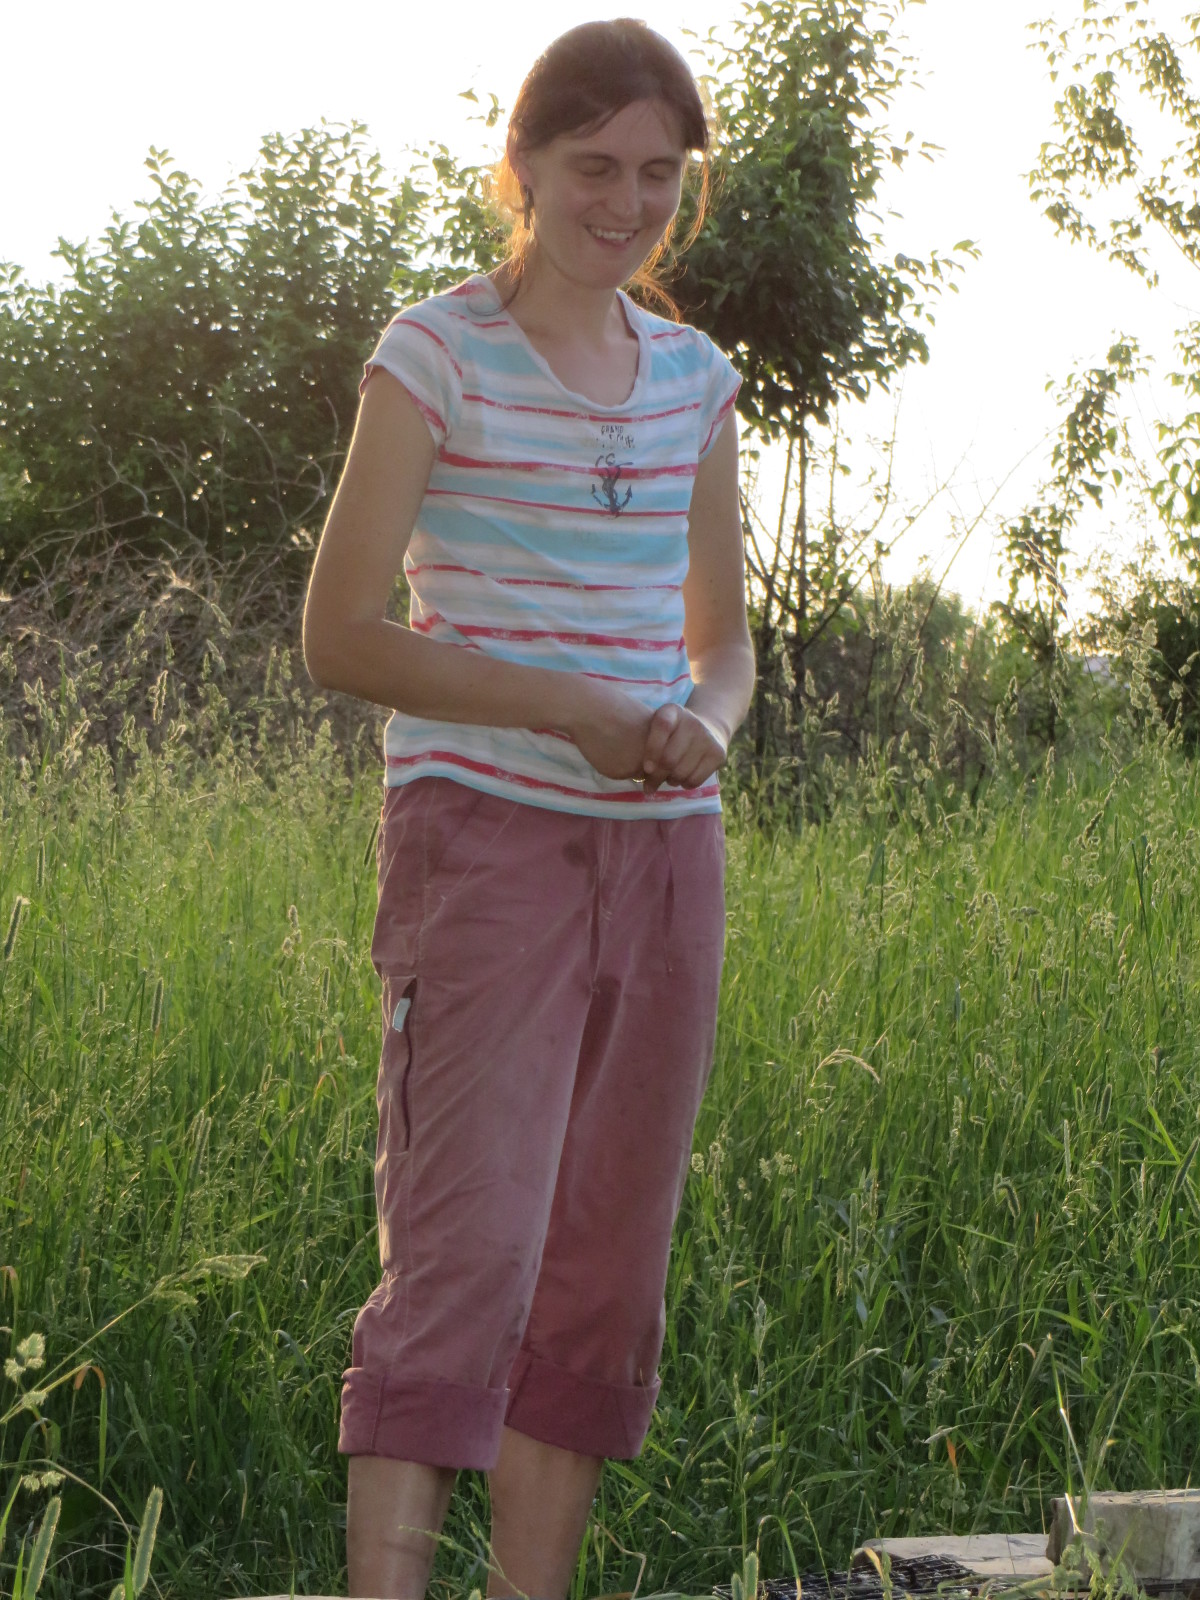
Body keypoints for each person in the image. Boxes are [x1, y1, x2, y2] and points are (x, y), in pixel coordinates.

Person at [302, 18, 755, 1599]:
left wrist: (700, 727)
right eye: (593, 167)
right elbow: (341, 633)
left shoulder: (696, 381)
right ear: (524, 166)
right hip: (483, 841)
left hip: (667, 859)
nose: (626, 203)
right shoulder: (434, 353)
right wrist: (572, 710)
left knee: (600, 1286)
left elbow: (725, 644)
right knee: (464, 1261)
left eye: (658, 173)